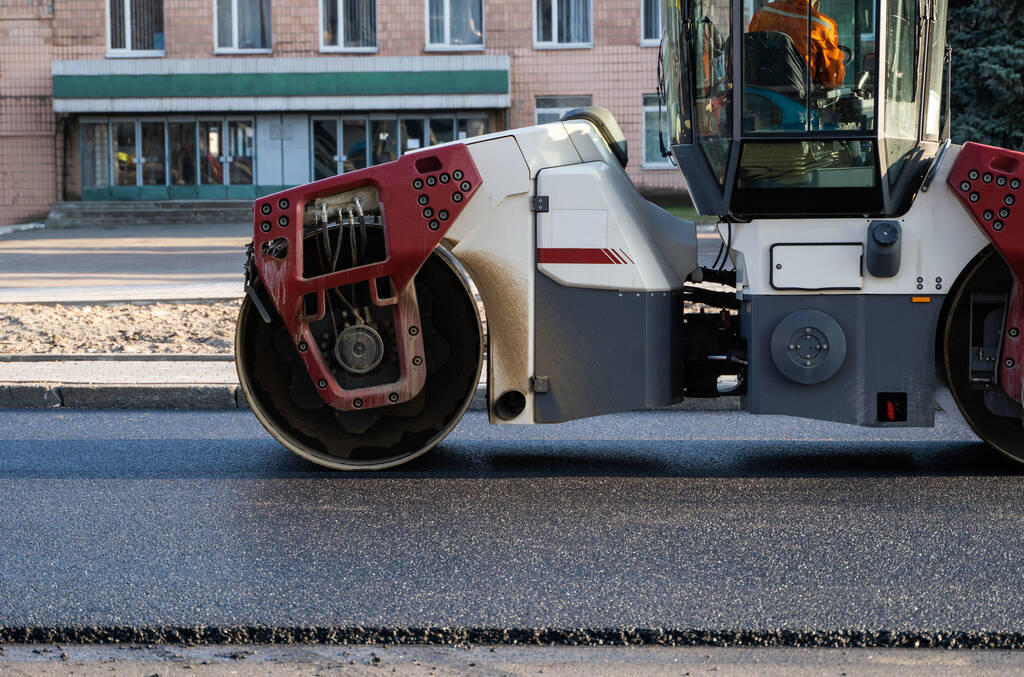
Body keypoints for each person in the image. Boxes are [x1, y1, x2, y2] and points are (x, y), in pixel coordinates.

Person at [748, 0, 846, 88]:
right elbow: (832, 80)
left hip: (758, 95)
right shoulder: (823, 26)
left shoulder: (764, 13)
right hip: (796, 102)